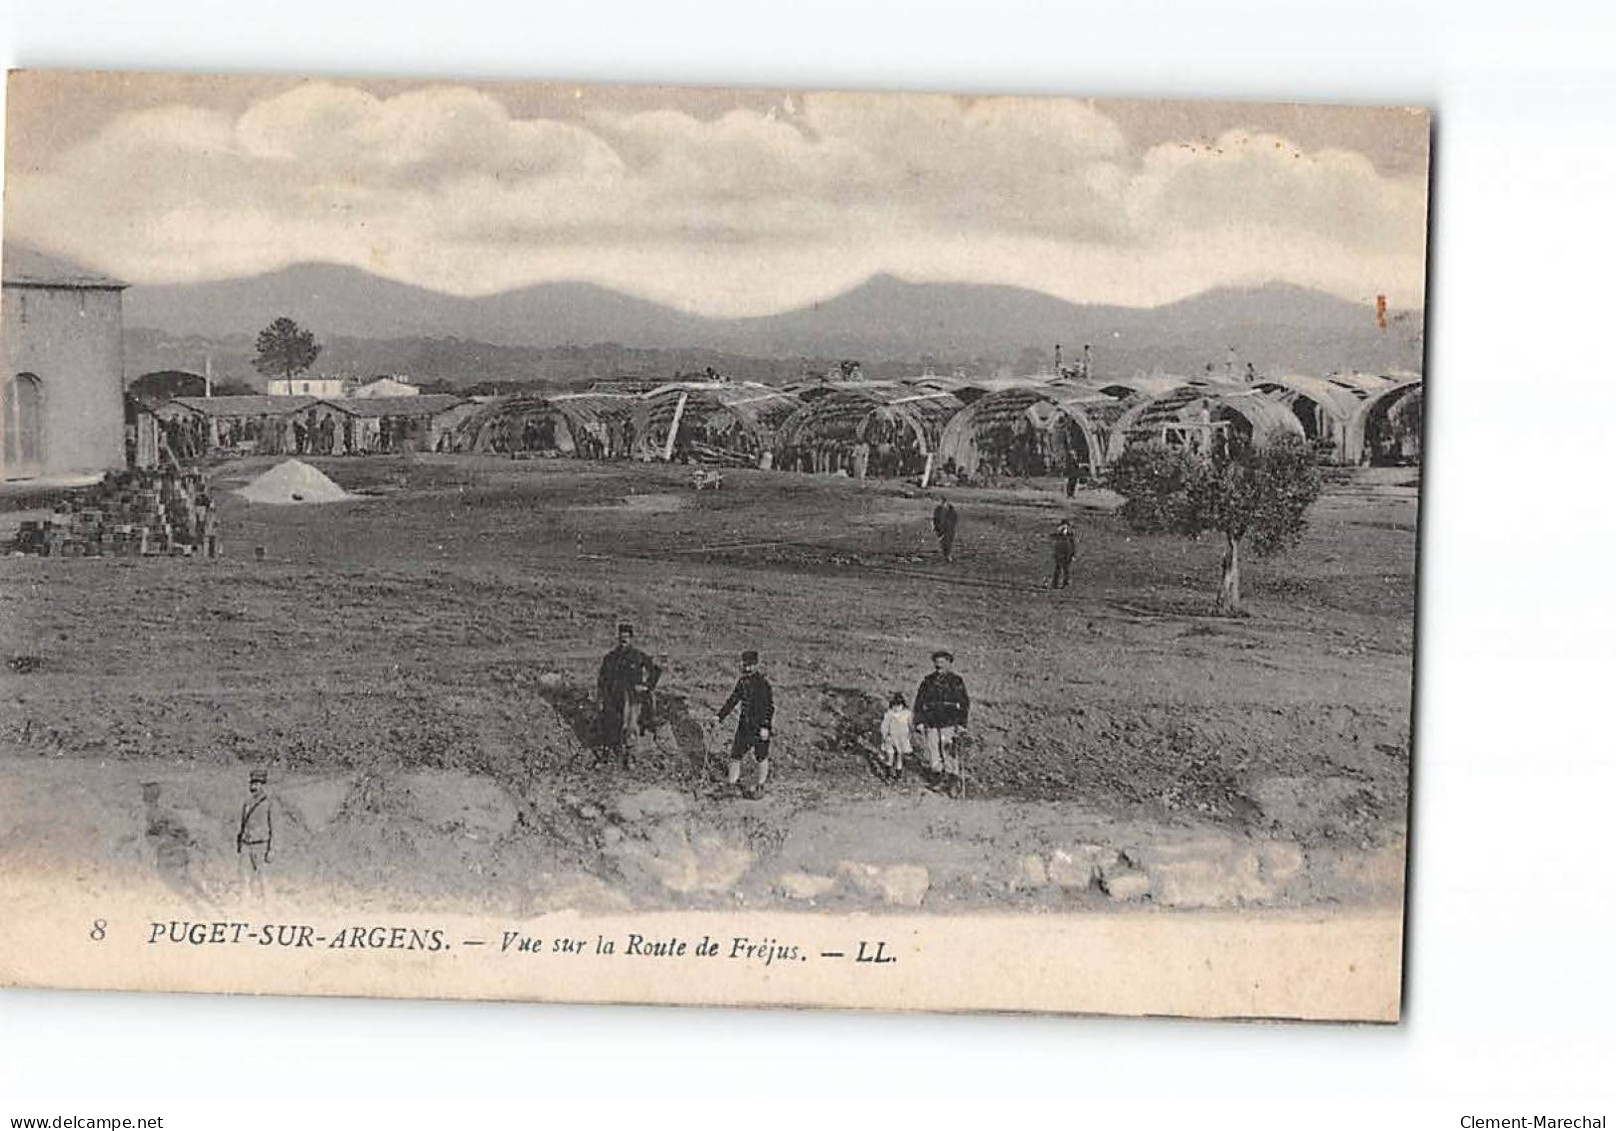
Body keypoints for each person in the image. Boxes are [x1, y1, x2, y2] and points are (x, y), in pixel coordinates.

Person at [595, 622, 661, 769]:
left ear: (631, 638)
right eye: (621, 637)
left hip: (632, 699)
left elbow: (656, 670)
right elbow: (602, 679)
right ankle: (607, 756)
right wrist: (601, 698)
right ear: (618, 638)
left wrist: (647, 687)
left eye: (627, 637)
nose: (623, 640)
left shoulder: (638, 656)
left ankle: (630, 757)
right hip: (613, 698)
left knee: (631, 727)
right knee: (610, 726)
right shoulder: (610, 658)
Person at [717, 649, 774, 799]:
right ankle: (731, 785)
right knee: (735, 755)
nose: (747, 668)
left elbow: (769, 707)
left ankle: (760, 786)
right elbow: (733, 700)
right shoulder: (742, 682)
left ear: (756, 665)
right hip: (745, 726)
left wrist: (765, 727)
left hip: (760, 727)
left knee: (761, 756)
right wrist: (719, 716)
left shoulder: (762, 684)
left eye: (750, 665)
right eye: (745, 665)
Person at [915, 649, 971, 798]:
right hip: (932, 721)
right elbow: (919, 702)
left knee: (948, 751)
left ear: (949, 663)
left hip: (949, 721)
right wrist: (919, 721)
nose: (939, 665)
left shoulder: (956, 681)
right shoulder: (928, 681)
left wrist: (962, 723)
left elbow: (964, 703)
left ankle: (953, 782)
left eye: (942, 662)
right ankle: (938, 779)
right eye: (937, 662)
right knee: (934, 751)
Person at [237, 768, 273, 899]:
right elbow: (243, 823)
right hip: (246, 843)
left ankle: (267, 905)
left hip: (261, 844)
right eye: (253, 783)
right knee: (244, 876)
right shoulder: (247, 802)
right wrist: (240, 842)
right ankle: (245, 905)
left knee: (263, 877)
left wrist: (272, 849)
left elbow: (275, 827)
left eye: (258, 783)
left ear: (263, 785)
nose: (254, 786)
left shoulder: (269, 803)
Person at [879, 692, 914, 782]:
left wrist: (909, 736)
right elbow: (884, 726)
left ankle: (898, 775)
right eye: (894, 705)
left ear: (902, 705)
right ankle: (888, 774)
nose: (897, 708)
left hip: (902, 738)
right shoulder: (889, 714)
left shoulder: (907, 714)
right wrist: (885, 736)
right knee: (890, 755)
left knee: (900, 755)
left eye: (899, 705)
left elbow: (910, 726)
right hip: (891, 737)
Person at [1050, 519, 1076, 589]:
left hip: (1067, 553)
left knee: (1066, 569)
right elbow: (1053, 538)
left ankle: (1065, 582)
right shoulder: (1059, 534)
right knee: (1058, 568)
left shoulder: (1070, 534)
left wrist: (1072, 554)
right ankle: (1055, 583)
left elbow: (1073, 544)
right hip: (1059, 553)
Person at [931, 497, 958, 562]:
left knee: (948, 542)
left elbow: (954, 518)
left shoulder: (950, 509)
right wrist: (935, 527)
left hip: (949, 528)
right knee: (944, 542)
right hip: (941, 528)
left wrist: (951, 525)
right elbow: (935, 519)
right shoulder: (938, 509)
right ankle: (946, 555)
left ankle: (948, 555)